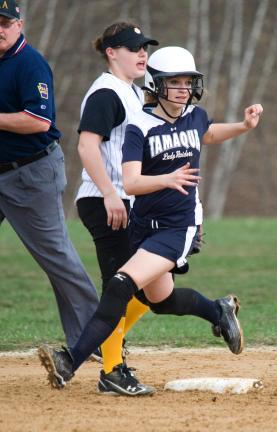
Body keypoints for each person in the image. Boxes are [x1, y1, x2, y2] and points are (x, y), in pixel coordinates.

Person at [38, 46, 263, 395]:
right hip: (144, 226)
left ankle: (71, 360)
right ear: (156, 85)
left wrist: (244, 126)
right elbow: (131, 183)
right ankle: (219, 311)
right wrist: (167, 179)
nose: (183, 89)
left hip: (178, 228)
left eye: (188, 82)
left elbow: (210, 133)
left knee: (119, 284)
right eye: (174, 82)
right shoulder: (139, 125)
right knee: (161, 301)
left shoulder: (196, 116)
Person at [0, 1, 100, 351]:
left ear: (19, 25)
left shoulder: (30, 63)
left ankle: (96, 337)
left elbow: (37, 121)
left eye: (5, 22)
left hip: (31, 173)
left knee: (55, 255)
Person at [74, 22, 159, 395]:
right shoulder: (106, 93)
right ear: (111, 52)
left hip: (128, 201)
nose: (142, 53)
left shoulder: (135, 93)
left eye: (144, 47)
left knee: (152, 282)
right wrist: (110, 194)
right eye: (132, 47)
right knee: (121, 286)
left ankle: (104, 339)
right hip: (104, 199)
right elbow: (86, 147)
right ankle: (112, 369)